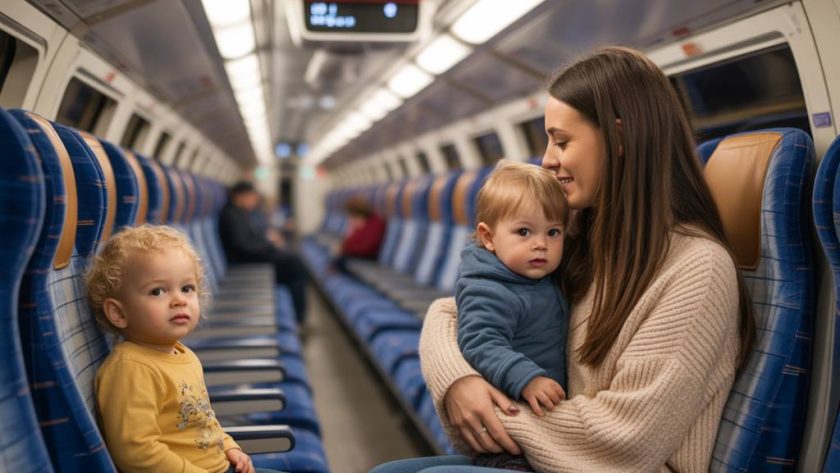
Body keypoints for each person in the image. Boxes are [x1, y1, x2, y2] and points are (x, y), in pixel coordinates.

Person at [372, 46, 754, 473]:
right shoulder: (578, 234)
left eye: (562, 140)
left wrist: (490, 412)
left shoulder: (698, 270)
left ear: (621, 138)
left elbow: (625, 440)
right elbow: (453, 310)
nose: (547, 159)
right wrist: (458, 381)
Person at [87, 225, 282, 473]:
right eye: (158, 291)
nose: (179, 300)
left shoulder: (183, 354)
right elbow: (136, 452)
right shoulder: (131, 369)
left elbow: (203, 420)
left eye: (187, 288)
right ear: (118, 312)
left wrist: (230, 448)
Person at [455, 161, 569, 472]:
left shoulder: (534, 276)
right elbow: (480, 342)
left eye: (553, 232)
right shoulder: (490, 287)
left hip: (541, 423)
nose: (541, 244)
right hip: (508, 434)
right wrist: (527, 378)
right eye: (523, 231)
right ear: (488, 238)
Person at [218, 181, 309, 322]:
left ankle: (293, 316)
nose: (254, 200)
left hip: (252, 258)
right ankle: (298, 319)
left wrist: (269, 242)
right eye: (252, 197)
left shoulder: (239, 213)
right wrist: (270, 245)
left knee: (294, 260)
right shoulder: (231, 215)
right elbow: (243, 246)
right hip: (245, 263)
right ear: (241, 196)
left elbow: (251, 239)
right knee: (295, 264)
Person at [332, 195, 386, 273]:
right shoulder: (363, 222)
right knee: (337, 260)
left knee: (340, 261)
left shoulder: (377, 223)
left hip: (370, 257)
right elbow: (349, 241)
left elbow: (367, 247)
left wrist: (344, 248)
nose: (351, 218)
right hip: (361, 254)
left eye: (352, 215)